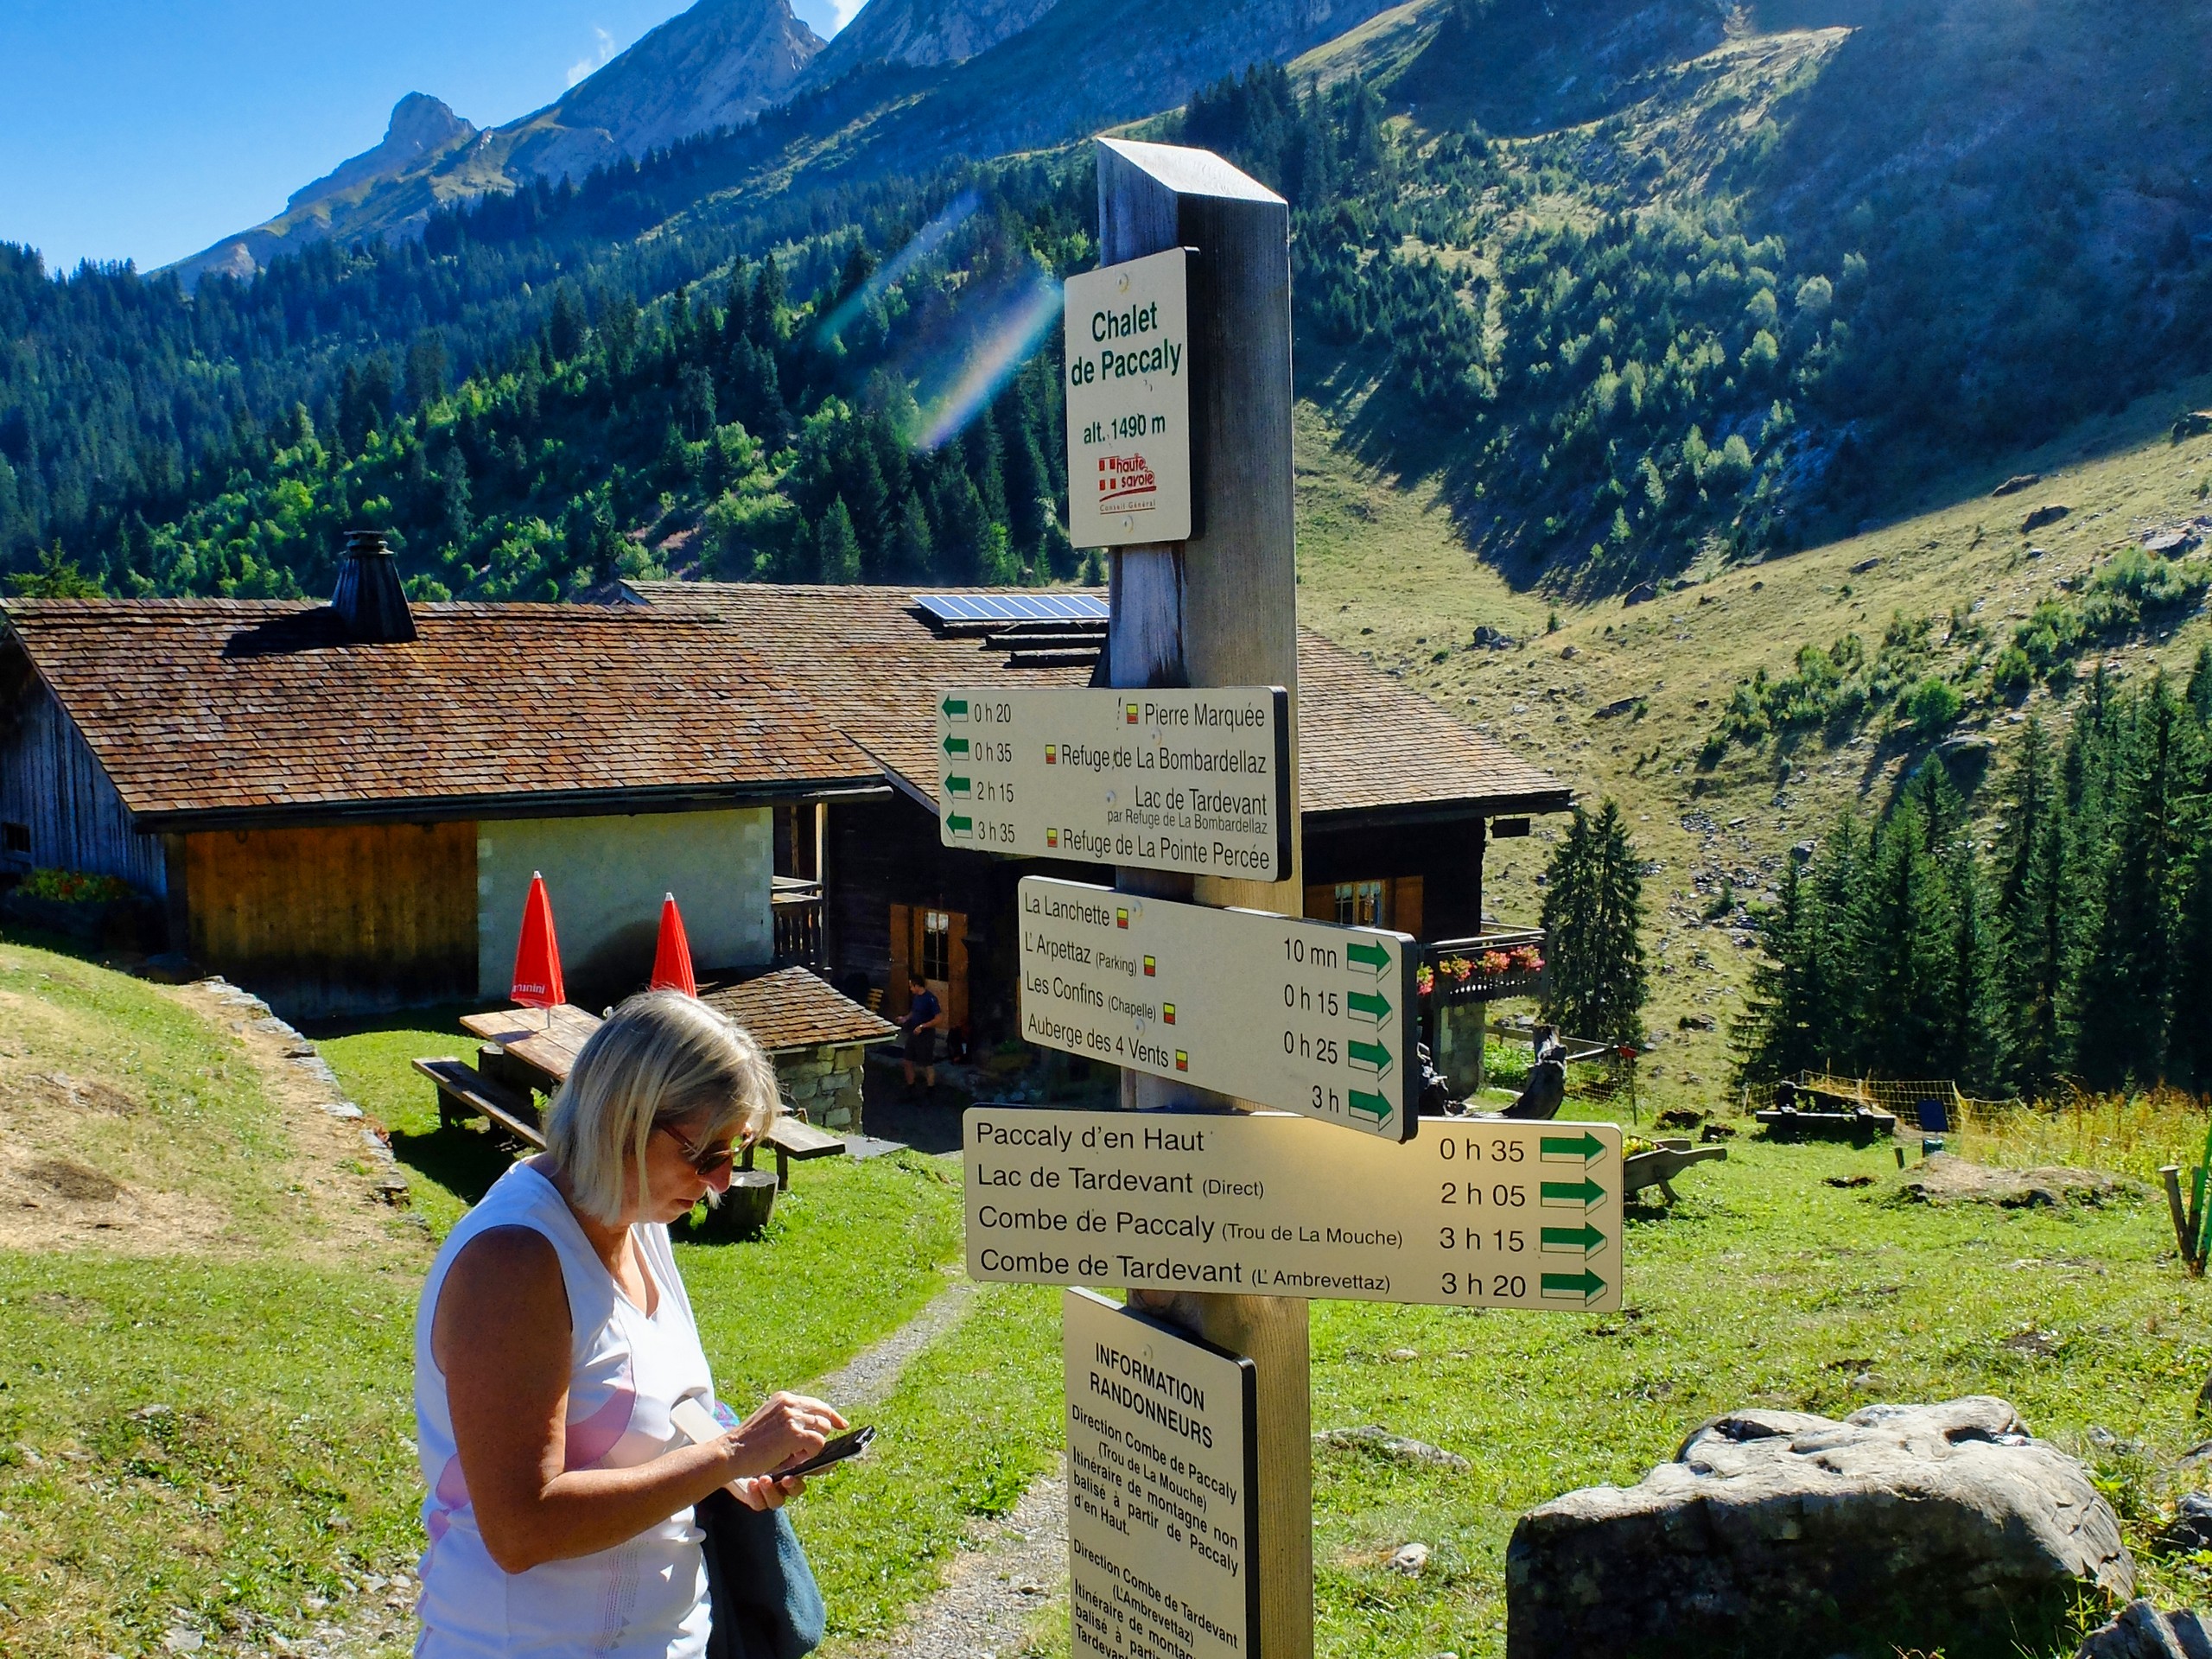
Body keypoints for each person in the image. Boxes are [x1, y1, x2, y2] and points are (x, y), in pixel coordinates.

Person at [414, 991, 848, 1658]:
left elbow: (660, 1412)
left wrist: (740, 1462)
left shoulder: (639, 1223)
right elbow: (520, 1528)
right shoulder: (514, 1261)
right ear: (625, 1119)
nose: (723, 1182)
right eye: (705, 1155)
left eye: (737, 1152)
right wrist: (727, 1457)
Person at [898, 971, 943, 1096]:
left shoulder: (930, 999)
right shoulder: (916, 998)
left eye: (912, 986)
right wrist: (905, 1018)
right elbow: (914, 1011)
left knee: (926, 1064)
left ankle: (930, 1089)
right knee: (907, 1061)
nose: (910, 989)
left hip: (926, 1035)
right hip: (914, 1033)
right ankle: (910, 1086)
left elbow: (939, 1018)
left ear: (917, 986)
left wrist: (923, 1026)